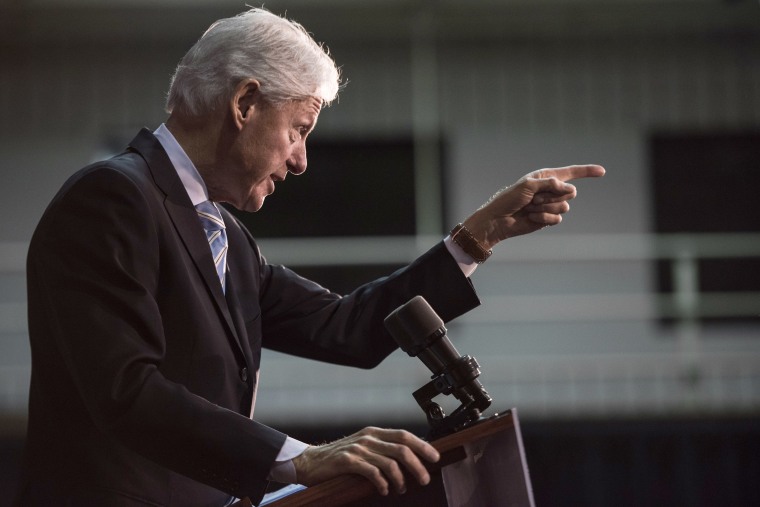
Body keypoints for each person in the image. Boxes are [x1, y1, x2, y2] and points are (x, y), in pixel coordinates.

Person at [14, 7, 605, 507]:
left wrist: (475, 239)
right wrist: (300, 459)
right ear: (245, 102)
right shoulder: (113, 198)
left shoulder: (225, 237)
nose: (301, 161)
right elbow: (126, 390)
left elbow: (344, 327)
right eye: (299, 129)